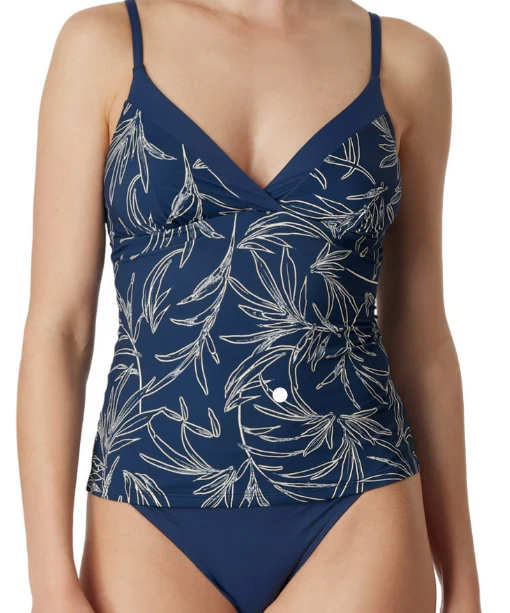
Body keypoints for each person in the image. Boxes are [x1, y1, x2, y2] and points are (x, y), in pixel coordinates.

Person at [17, 1, 482, 612]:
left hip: (359, 502)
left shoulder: (405, 61)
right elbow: (61, 330)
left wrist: (464, 578)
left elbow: (421, 338)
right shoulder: (103, 46)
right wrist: (49, 581)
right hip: (149, 507)